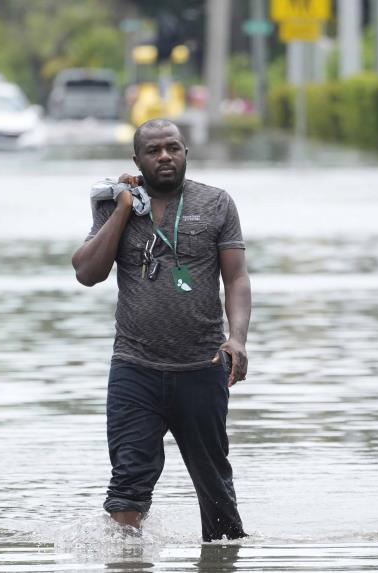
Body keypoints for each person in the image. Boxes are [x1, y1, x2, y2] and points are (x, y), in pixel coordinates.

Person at [71, 118, 251, 542]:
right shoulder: (115, 205)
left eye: (173, 147)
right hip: (135, 368)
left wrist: (237, 338)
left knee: (216, 491)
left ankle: (224, 559)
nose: (164, 156)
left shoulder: (217, 203)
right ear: (137, 160)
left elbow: (237, 278)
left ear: (186, 152)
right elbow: (87, 272)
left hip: (203, 367)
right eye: (153, 151)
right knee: (127, 486)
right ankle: (126, 560)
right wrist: (120, 209)